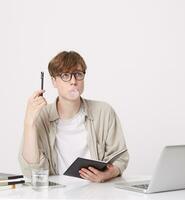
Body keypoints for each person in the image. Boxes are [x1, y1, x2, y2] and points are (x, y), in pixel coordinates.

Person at [19, 51, 129, 183]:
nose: (73, 81)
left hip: (96, 192)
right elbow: (31, 171)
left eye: (78, 74)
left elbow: (120, 158)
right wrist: (29, 123)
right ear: (54, 81)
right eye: (65, 75)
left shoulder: (104, 112)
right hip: (56, 194)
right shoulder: (42, 116)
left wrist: (107, 174)